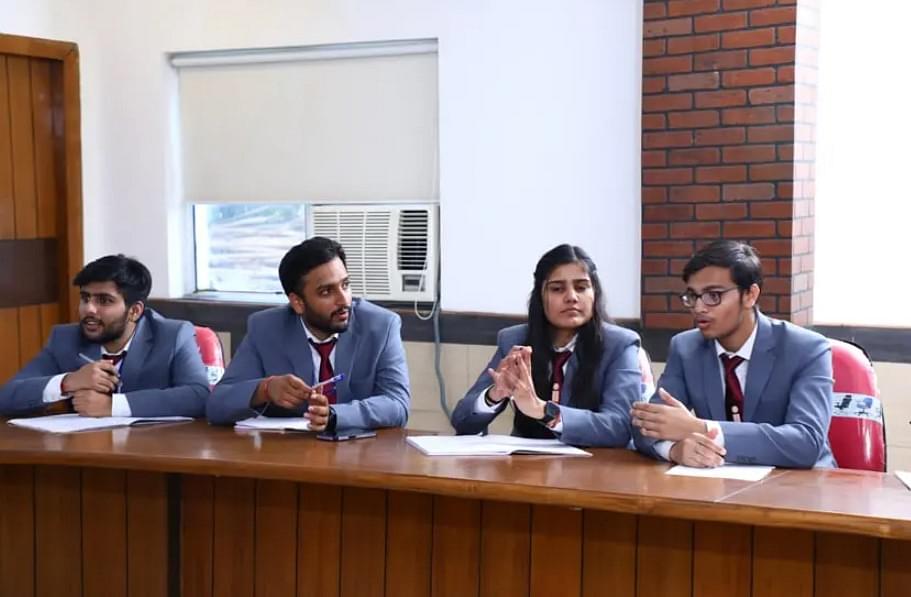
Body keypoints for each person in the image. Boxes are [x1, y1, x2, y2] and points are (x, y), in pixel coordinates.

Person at [631, 240, 835, 468]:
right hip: (718, 480)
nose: (699, 308)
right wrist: (673, 450)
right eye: (693, 296)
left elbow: (806, 442)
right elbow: (646, 424)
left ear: (750, 295)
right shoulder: (686, 347)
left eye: (713, 295)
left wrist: (702, 429)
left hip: (801, 482)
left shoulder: (806, 348)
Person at [207, 237, 410, 431]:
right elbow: (217, 406)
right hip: (289, 451)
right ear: (298, 302)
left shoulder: (381, 326)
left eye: (345, 285)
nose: (343, 300)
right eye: (326, 292)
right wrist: (265, 390)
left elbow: (397, 404)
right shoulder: (266, 328)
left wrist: (335, 415)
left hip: (360, 449)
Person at [450, 244, 641, 447]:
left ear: (595, 293)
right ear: (540, 296)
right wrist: (493, 396)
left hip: (595, 463)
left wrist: (543, 411)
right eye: (557, 289)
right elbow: (462, 421)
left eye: (581, 287)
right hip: (527, 463)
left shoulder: (620, 345)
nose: (571, 297)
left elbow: (619, 427)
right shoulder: (515, 340)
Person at [0, 255, 209, 417]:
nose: (89, 309)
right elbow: (7, 397)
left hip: (153, 449)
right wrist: (68, 382)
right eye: (85, 298)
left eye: (104, 301)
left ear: (134, 311)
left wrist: (112, 406)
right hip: (86, 451)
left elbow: (198, 396)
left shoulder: (173, 335)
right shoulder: (64, 339)